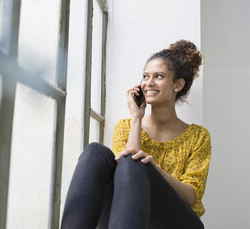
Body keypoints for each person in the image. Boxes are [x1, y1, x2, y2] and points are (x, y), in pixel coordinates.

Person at [61, 39, 211, 229]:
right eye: (145, 76)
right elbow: (124, 175)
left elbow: (191, 196)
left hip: (177, 222)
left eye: (158, 76)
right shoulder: (126, 126)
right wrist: (137, 118)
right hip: (129, 216)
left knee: (135, 160)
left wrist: (154, 168)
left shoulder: (198, 136)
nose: (148, 83)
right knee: (95, 151)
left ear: (178, 85)